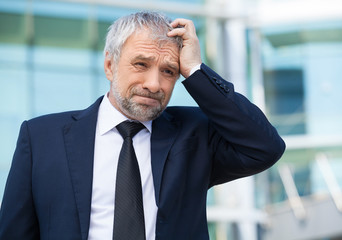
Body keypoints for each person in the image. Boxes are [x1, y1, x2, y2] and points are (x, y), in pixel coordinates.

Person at [0, 11, 285, 240]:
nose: (154, 84)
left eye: (169, 71)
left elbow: (265, 147)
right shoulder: (41, 138)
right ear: (110, 66)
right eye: (140, 64)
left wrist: (196, 70)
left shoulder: (194, 134)